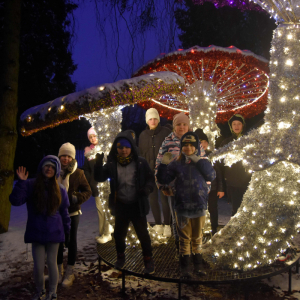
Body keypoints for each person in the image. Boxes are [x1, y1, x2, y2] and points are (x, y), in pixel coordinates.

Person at [9, 156, 71, 300]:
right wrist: (21, 183)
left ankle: (53, 292)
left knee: (51, 262)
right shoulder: (31, 185)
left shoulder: (60, 189)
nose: (49, 169)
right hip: (36, 231)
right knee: (37, 265)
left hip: (54, 232)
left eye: (52, 167)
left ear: (56, 171)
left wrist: (67, 231)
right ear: (41, 168)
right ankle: (40, 291)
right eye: (47, 166)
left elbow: (64, 212)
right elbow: (15, 200)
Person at [94, 130, 155, 274]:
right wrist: (98, 164)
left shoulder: (140, 162)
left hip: (137, 204)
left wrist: (147, 189)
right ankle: (120, 258)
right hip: (120, 204)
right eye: (120, 147)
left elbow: (150, 179)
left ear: (132, 147)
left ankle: (148, 261)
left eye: (127, 147)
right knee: (119, 235)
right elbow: (100, 177)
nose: (124, 150)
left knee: (143, 235)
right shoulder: (112, 163)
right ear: (116, 148)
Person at [157, 132, 216, 277]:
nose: (188, 147)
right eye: (185, 144)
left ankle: (198, 266)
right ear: (181, 146)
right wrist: (163, 164)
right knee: (184, 239)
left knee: (197, 238)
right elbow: (163, 178)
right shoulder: (176, 164)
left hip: (199, 206)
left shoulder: (202, 163)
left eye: (192, 145)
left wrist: (198, 160)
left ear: (196, 147)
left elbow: (211, 175)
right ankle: (185, 268)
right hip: (182, 207)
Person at [155, 112, 205, 255]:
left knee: (195, 220)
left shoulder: (195, 141)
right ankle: (181, 252)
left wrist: (206, 185)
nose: (182, 127)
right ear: (174, 126)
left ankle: (195, 253)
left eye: (184, 124)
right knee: (178, 221)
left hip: (194, 188)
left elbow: (203, 163)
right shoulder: (168, 142)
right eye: (178, 124)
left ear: (188, 126)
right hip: (174, 189)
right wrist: (162, 185)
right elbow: (160, 164)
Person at [57, 143, 92, 288]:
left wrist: (76, 198)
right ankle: (58, 271)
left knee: (71, 242)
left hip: (72, 212)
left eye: (68, 156)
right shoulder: (54, 170)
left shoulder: (78, 173)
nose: (65, 159)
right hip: (56, 213)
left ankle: (69, 271)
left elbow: (87, 191)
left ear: (72, 158)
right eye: (63, 156)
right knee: (57, 242)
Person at [139, 108, 172, 236]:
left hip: (163, 172)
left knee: (164, 199)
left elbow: (171, 150)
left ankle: (167, 225)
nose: (153, 121)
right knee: (152, 199)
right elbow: (141, 154)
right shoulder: (142, 135)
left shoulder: (166, 132)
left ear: (158, 119)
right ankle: (158, 224)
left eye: (155, 118)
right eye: (150, 119)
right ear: (147, 121)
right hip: (149, 173)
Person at [84, 127, 113, 244]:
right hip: (95, 185)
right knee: (100, 209)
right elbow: (86, 169)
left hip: (107, 184)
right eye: (90, 137)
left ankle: (108, 232)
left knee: (108, 208)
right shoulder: (87, 152)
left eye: (94, 136)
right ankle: (102, 232)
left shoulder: (105, 148)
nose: (92, 139)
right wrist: (90, 181)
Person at [220, 114, 252, 215]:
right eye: (234, 124)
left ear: (243, 125)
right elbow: (220, 163)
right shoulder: (226, 142)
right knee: (235, 209)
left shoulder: (248, 141)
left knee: (247, 209)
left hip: (247, 180)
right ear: (231, 126)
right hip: (232, 183)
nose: (236, 126)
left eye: (239, 124)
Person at [195, 129, 224, 235]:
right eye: (199, 142)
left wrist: (220, 189)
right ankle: (198, 229)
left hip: (212, 188)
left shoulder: (212, 155)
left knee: (213, 209)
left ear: (207, 143)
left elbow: (219, 174)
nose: (201, 145)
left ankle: (214, 228)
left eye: (203, 142)